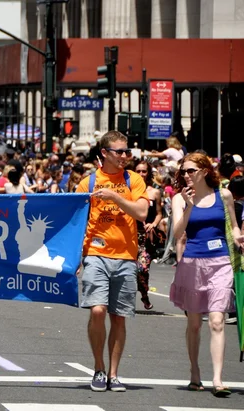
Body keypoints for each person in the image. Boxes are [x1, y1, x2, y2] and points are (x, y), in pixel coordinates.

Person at [75, 130, 148, 392]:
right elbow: (76, 221)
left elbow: (141, 213)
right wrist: (74, 258)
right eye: (119, 152)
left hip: (126, 256)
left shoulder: (134, 179)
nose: (125, 156)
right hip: (95, 254)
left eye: (127, 151)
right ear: (104, 153)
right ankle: (98, 368)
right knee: (97, 310)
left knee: (119, 317)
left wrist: (116, 197)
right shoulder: (88, 183)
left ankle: (114, 373)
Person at [170, 153, 243, 397]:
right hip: (192, 263)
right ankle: (194, 372)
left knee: (217, 320)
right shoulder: (179, 199)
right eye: (183, 172)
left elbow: (233, 225)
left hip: (220, 261)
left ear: (204, 170)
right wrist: (189, 206)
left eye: (190, 170)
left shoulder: (223, 195)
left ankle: (218, 379)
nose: (186, 175)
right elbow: (177, 233)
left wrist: (239, 236)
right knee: (193, 324)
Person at [134, 161, 164, 310]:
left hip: (146, 238)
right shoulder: (129, 191)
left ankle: (144, 295)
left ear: (148, 173)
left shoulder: (155, 193)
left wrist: (153, 224)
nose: (141, 174)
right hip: (129, 236)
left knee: (142, 269)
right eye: (138, 171)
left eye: (144, 171)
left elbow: (159, 213)